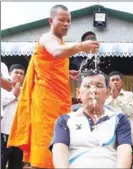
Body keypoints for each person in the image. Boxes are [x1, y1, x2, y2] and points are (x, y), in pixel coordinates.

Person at [7, 4, 99, 169]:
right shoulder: (47, 38)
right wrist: (80, 46)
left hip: (60, 101)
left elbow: (52, 64)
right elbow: (56, 52)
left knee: (60, 142)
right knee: (45, 145)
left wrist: (67, 73)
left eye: (69, 21)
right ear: (51, 20)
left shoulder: (62, 42)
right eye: (62, 20)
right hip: (45, 102)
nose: (66, 24)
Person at [50, 69, 133, 168]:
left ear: (107, 93)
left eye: (99, 86)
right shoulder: (65, 120)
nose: (93, 90)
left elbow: (125, 151)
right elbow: (59, 152)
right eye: (87, 86)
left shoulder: (119, 119)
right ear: (78, 93)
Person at [1, 64, 25, 169]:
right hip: (3, 134)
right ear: (10, 74)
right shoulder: (2, 89)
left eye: (21, 74)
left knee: (16, 165)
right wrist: (13, 94)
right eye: (16, 72)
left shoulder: (26, 91)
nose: (19, 75)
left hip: (19, 136)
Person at [105, 71, 133, 142]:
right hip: (109, 131)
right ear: (109, 83)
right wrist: (112, 98)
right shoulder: (105, 96)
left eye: (117, 80)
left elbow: (130, 112)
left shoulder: (129, 95)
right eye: (112, 80)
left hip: (126, 131)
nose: (115, 82)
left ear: (122, 82)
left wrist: (117, 98)